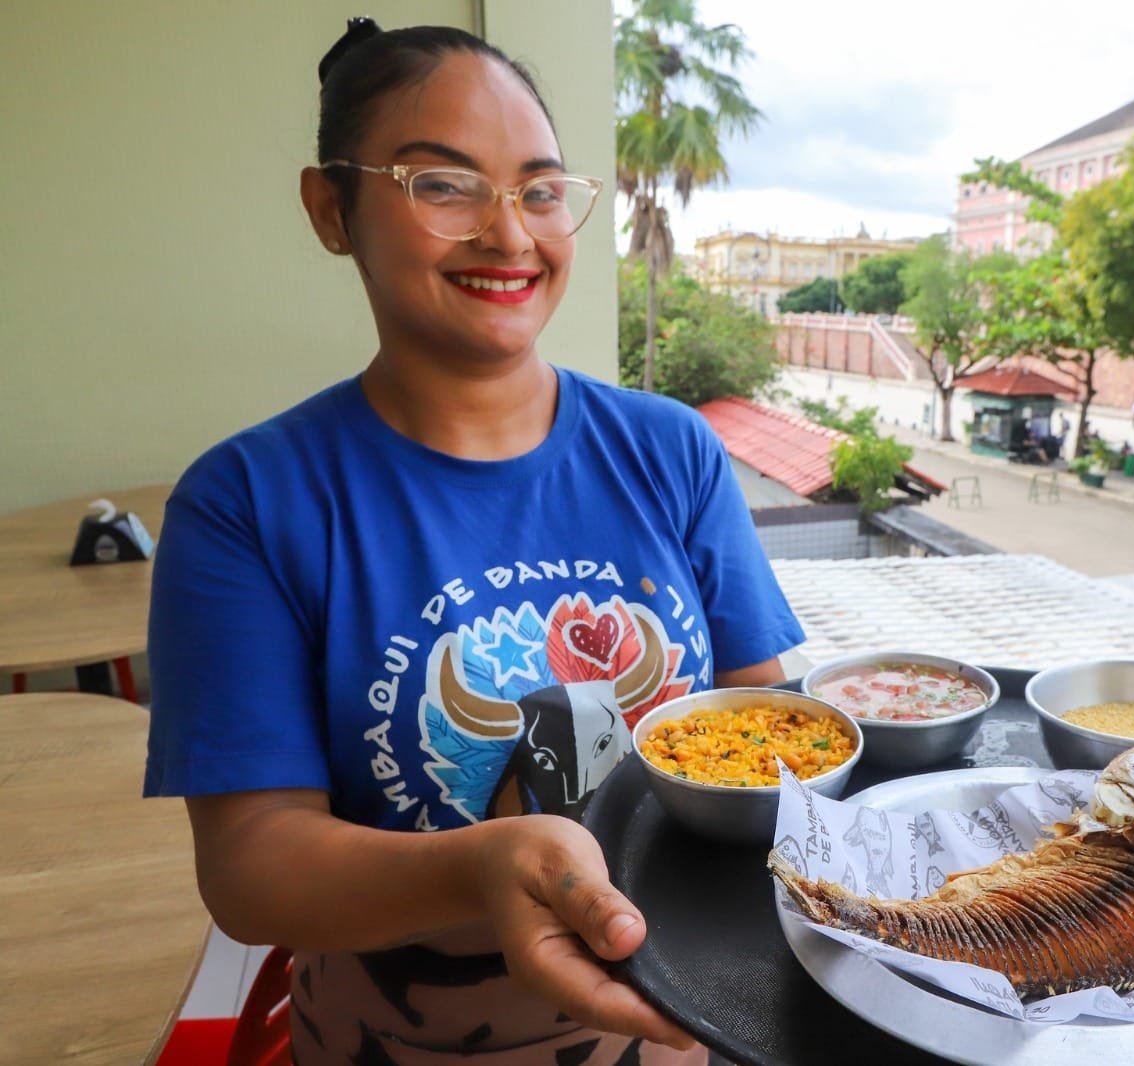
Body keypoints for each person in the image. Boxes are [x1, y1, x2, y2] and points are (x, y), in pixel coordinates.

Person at [143, 19, 804, 1065]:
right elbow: (250, 868)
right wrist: (478, 866)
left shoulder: (670, 449)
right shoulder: (249, 500)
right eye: (443, 186)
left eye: (540, 191)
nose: (510, 235)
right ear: (332, 209)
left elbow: (766, 731)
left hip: (689, 1025)